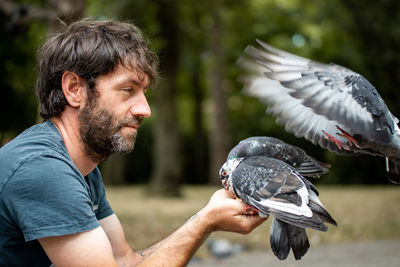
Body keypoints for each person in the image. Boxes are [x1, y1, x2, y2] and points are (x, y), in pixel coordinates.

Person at [0, 19, 267, 266]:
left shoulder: (82, 169)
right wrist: (205, 222)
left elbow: (125, 261)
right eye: (128, 90)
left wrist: (207, 216)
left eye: (144, 93)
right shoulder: (43, 169)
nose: (144, 109)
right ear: (74, 89)